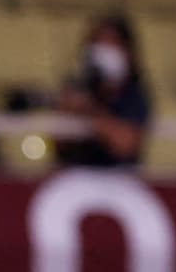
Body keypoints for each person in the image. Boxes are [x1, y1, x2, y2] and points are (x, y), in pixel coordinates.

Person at [53, 13, 152, 169]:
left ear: (127, 50)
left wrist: (89, 110)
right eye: (97, 42)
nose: (103, 50)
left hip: (118, 180)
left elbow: (125, 144)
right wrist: (66, 110)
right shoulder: (77, 86)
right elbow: (59, 143)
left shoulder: (133, 94)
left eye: (110, 42)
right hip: (76, 178)